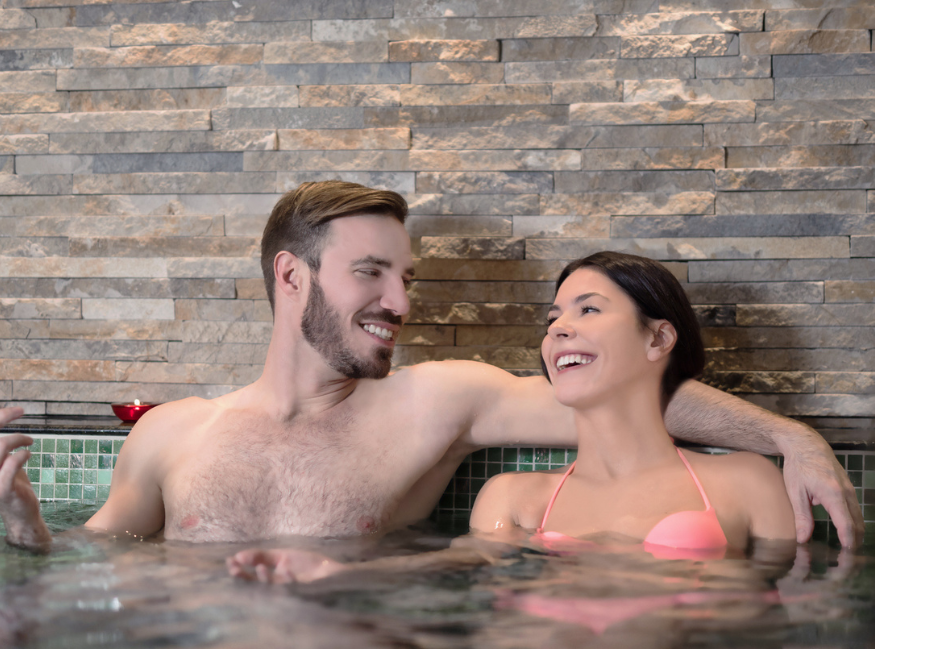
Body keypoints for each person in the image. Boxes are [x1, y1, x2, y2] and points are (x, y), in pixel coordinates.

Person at [1, 181, 862, 553]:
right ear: (292, 277)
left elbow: (622, 403)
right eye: (371, 274)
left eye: (405, 278)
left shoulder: (434, 401)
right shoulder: (172, 437)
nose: (401, 304)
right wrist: (28, 536)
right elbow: (99, 564)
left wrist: (790, 436)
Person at [226, 252, 796, 583]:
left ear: (658, 338)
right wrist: (339, 575)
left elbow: (781, 623)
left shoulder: (745, 482)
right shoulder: (514, 500)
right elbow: (451, 568)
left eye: (589, 310)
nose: (558, 328)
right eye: (553, 318)